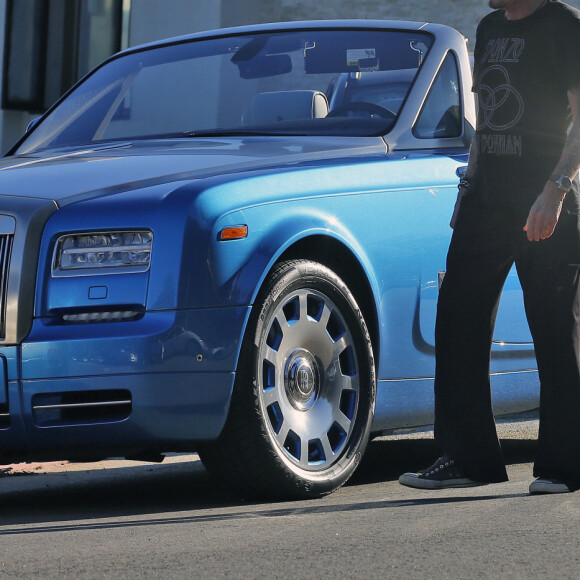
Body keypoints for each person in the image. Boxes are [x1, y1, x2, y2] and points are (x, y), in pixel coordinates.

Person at [399, 0, 580, 494]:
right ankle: (466, 457)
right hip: (487, 200)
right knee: (459, 316)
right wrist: (468, 187)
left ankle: (566, 465)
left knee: (554, 326)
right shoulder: (489, 26)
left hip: (545, 199)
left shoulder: (564, 27)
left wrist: (556, 189)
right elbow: (487, 119)